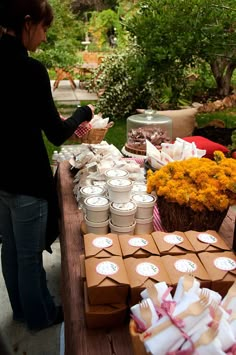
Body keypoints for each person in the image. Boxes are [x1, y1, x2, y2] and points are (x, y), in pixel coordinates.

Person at [0, 0, 94, 331]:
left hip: (3, 178)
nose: (44, 37)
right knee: (28, 258)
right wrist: (83, 112)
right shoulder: (30, 70)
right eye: (43, 29)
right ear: (28, 23)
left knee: (10, 251)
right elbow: (55, 133)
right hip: (27, 179)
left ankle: (23, 311)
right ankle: (41, 315)